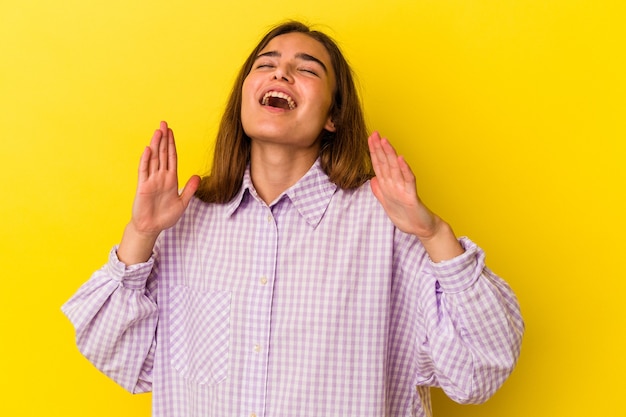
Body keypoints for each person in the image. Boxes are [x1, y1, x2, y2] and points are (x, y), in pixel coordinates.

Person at [62, 20, 524, 417]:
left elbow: (482, 367)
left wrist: (434, 232)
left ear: (333, 117)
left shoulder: (387, 224)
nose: (280, 71)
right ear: (244, 97)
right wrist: (141, 234)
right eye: (265, 64)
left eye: (306, 68)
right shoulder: (185, 223)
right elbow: (115, 353)